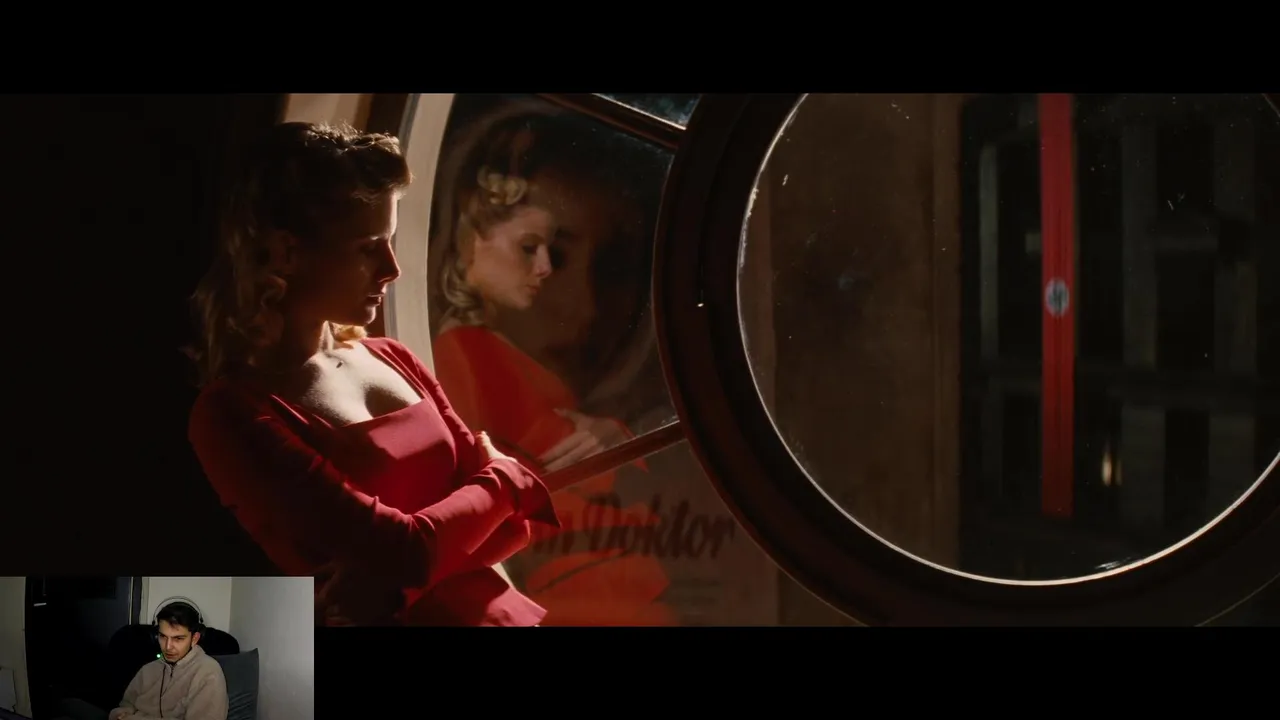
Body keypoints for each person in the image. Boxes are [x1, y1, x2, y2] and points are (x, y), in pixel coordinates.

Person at [185, 121, 559, 626]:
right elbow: (407, 550)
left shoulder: (392, 357)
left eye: (390, 242)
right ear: (285, 253)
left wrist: (394, 589)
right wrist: (506, 479)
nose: (392, 268)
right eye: (368, 247)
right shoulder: (231, 413)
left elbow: (511, 531)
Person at [430, 106, 677, 625]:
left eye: (614, 268)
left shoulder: (507, 361)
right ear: (469, 238)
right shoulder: (463, 360)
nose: (586, 306)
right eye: (537, 251)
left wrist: (610, 436)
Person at [108, 602, 227, 720]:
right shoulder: (148, 670)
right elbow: (126, 705)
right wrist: (120, 714)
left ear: (194, 639)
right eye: (163, 636)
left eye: (178, 638)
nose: (168, 647)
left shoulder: (208, 673)